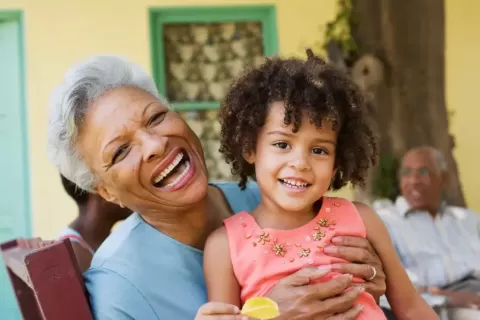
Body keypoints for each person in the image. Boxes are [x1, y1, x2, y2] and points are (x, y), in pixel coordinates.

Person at [47, 54, 387, 320]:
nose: (153, 144)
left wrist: (367, 276)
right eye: (121, 151)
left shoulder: (267, 197)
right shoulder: (119, 288)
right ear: (105, 191)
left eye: (155, 117)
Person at [200, 50, 437, 320]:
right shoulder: (225, 246)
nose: (300, 163)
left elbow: (411, 307)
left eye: (320, 150)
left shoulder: (362, 219)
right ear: (249, 148)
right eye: (281, 144)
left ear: (338, 159)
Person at [375, 146, 480, 320]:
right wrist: (448, 298)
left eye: (423, 171)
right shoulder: (386, 222)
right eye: (407, 173)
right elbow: (389, 290)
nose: (414, 180)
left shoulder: (468, 220)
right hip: (440, 306)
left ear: (443, 178)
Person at [57, 174, 132, 272]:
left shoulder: (110, 239)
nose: (131, 192)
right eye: (119, 184)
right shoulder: (72, 256)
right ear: (99, 192)